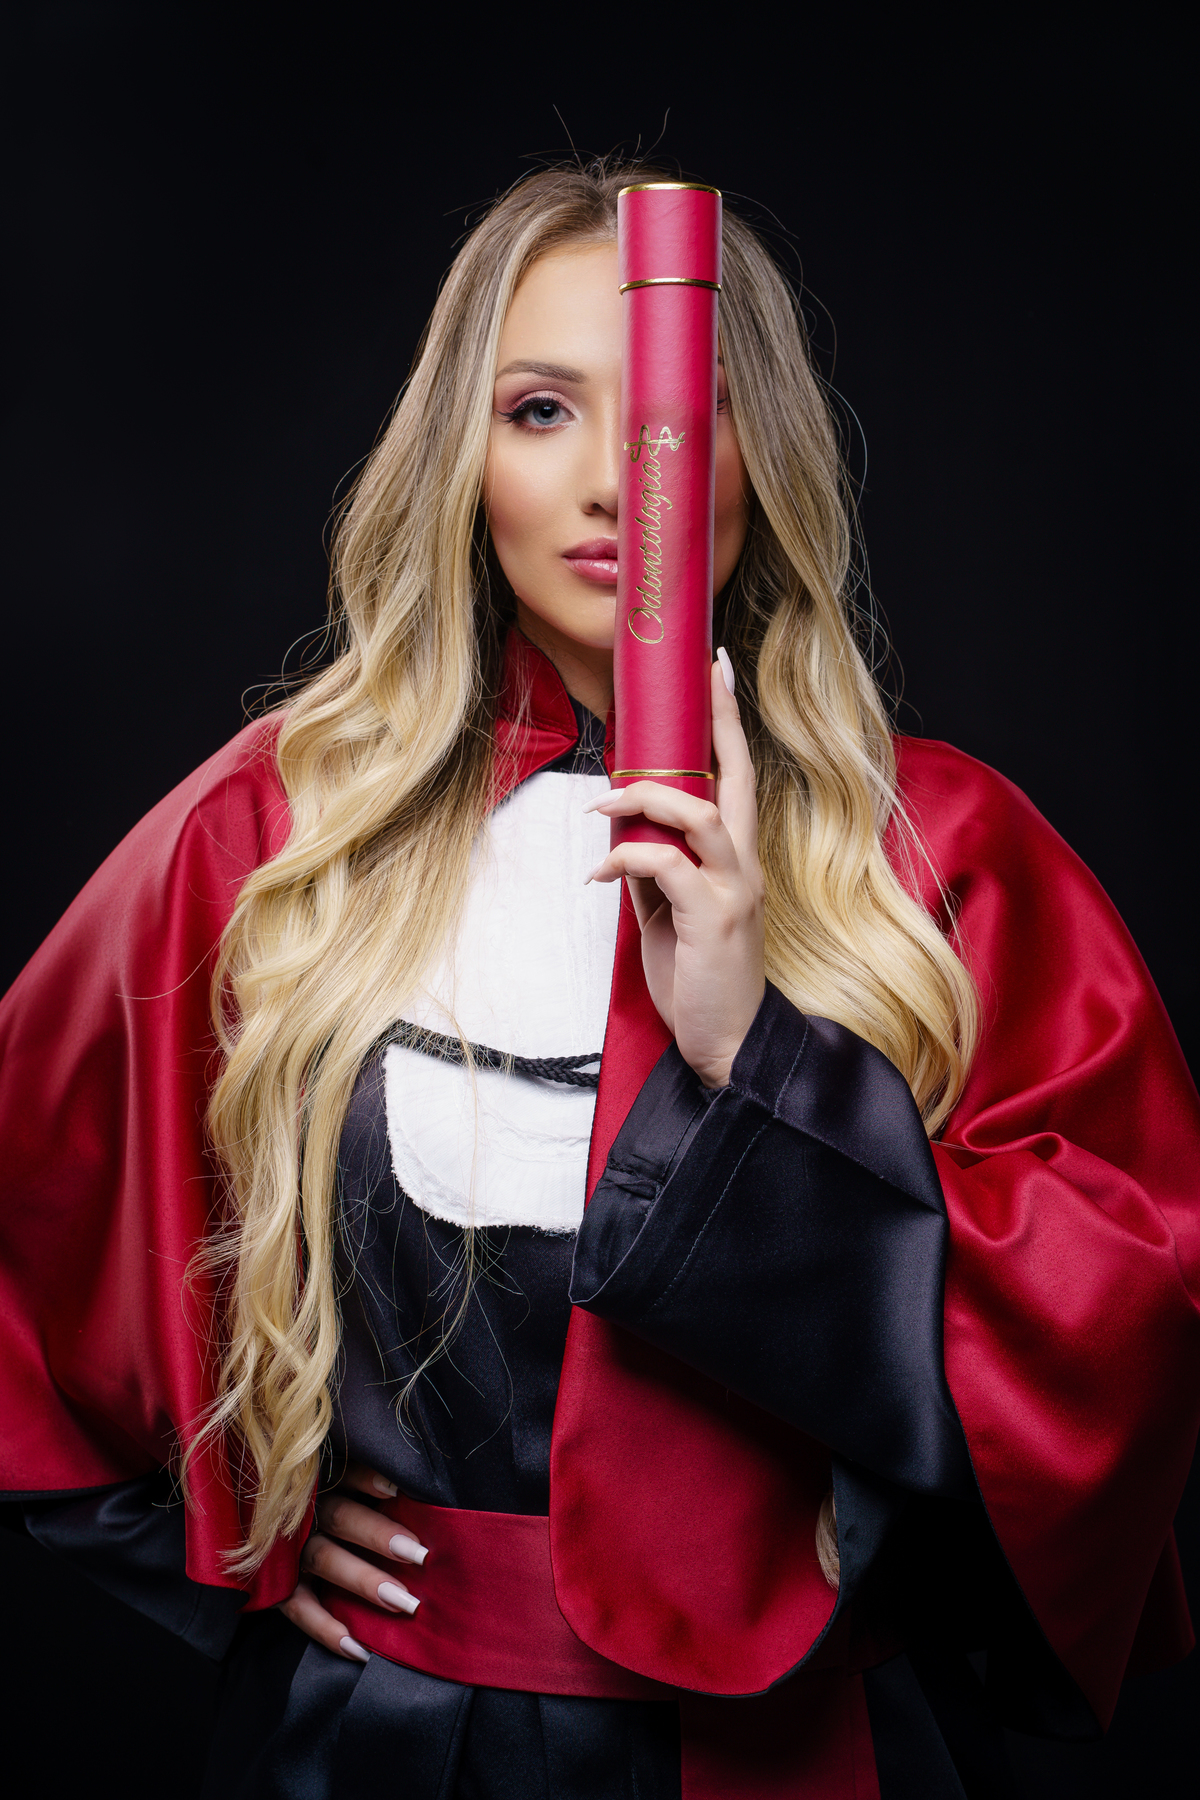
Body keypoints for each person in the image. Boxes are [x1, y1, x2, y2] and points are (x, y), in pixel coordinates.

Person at [2, 158, 1198, 1800]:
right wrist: (221, 1536)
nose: (611, 486)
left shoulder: (945, 852)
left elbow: (1118, 1340)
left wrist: (757, 1057)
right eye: (541, 410)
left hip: (801, 1757)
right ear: (466, 455)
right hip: (380, 1751)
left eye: (678, 419)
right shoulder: (279, 833)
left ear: (759, 458)